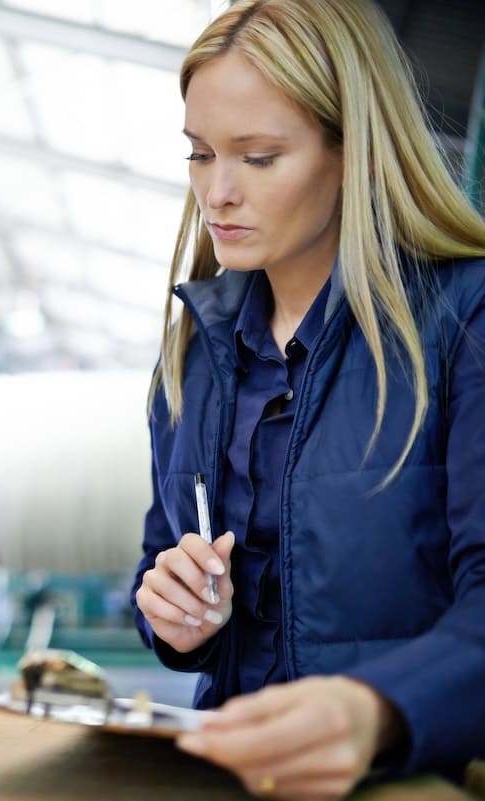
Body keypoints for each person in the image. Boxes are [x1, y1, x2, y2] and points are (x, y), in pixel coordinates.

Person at [131, 0, 485, 798]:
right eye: (199, 153)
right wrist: (174, 614)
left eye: (258, 158)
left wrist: (377, 710)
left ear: (355, 152)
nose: (216, 192)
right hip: (226, 765)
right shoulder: (192, 356)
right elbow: (158, 560)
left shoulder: (466, 323)